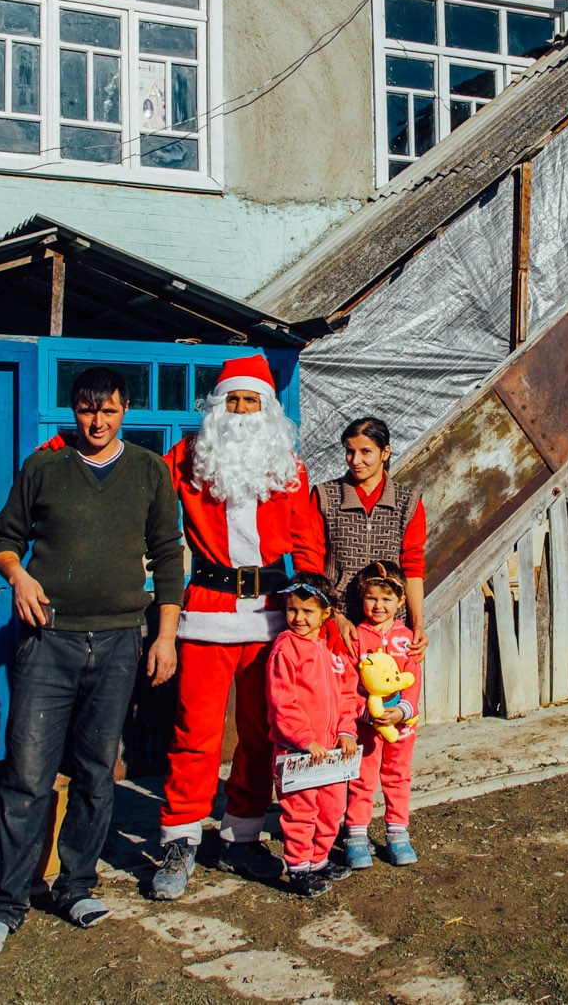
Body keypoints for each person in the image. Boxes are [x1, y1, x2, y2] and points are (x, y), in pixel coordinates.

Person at [0, 367, 182, 959]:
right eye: (87, 411)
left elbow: (167, 556)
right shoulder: (44, 468)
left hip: (118, 644)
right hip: (48, 642)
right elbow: (1, 538)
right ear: (73, 410)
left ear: (126, 410)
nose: (97, 421)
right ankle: (5, 904)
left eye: (108, 411)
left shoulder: (148, 470)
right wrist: (19, 575)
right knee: (27, 775)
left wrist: (164, 637)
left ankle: (76, 884)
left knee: (93, 772)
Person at [150, 354, 322, 900]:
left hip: (272, 617)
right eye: (234, 399)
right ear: (217, 406)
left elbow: (310, 544)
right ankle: (180, 838)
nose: (242, 411)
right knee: (195, 733)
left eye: (251, 401)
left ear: (268, 409)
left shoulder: (288, 468)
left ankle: (242, 836)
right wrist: (66, 450)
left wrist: (314, 605)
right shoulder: (188, 457)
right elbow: (131, 472)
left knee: (259, 735)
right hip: (206, 613)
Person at [266, 578, 362, 897]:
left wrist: (346, 732)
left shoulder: (333, 653)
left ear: (326, 614)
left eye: (308, 610)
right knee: (300, 812)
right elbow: (283, 700)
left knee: (331, 809)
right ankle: (298, 868)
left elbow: (347, 696)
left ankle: (318, 860)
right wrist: (304, 739)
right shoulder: (285, 648)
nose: (299, 618)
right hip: (298, 752)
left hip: (332, 753)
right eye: (292, 609)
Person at [306, 416, 429, 649]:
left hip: (389, 625)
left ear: (385, 452)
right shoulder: (325, 497)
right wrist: (333, 617)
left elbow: (412, 566)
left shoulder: (407, 503)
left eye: (365, 452)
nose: (355, 461)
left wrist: (418, 624)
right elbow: (311, 562)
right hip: (338, 620)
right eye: (350, 452)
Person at [341, 560, 422, 868]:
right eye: (372, 597)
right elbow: (348, 682)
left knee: (397, 776)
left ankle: (397, 832)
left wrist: (402, 711)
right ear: (362, 598)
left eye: (387, 599)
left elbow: (412, 679)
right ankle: (357, 835)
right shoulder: (356, 638)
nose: (378, 605)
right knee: (362, 778)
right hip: (366, 726)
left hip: (402, 726)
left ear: (400, 601)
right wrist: (363, 713)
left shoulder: (407, 639)